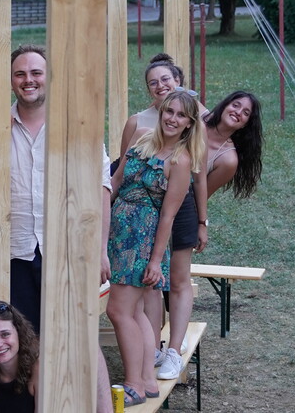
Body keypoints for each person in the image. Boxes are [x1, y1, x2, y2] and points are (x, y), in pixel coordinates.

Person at [0, 44, 112, 334]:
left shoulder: (76, 125)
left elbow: (101, 189)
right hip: (14, 253)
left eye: (36, 72)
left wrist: (101, 250)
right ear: (11, 80)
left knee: (73, 337)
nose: (28, 80)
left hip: (67, 250)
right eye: (19, 74)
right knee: (25, 340)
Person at [150, 90, 264, 379]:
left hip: (182, 208)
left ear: (247, 123)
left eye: (245, 113)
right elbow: (176, 94)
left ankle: (174, 350)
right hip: (150, 200)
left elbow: (201, 190)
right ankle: (151, 346)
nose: (237, 112)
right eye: (235, 105)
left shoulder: (228, 159)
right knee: (150, 281)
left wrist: (202, 223)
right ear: (225, 104)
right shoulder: (196, 118)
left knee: (178, 280)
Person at [106, 90, 204, 407]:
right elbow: (116, 181)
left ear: (189, 123)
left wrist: (155, 260)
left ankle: (134, 383)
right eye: (169, 111)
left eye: (180, 115)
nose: (172, 119)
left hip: (142, 240)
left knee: (118, 311)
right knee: (134, 312)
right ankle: (147, 380)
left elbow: (168, 215)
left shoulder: (181, 160)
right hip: (118, 232)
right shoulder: (142, 137)